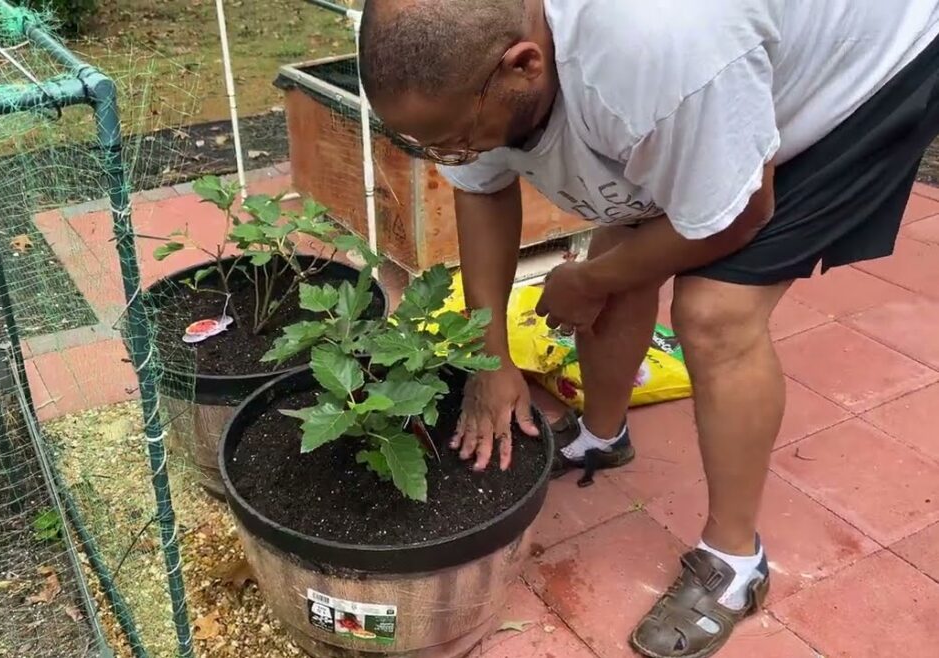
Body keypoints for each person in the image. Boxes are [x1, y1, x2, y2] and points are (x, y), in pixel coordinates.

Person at [357, 0, 939, 656]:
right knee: (624, 239)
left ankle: (735, 565)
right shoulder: (488, 60)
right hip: (713, 73)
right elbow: (481, 188)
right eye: (424, 143)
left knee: (714, 313)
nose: (448, 157)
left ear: (524, 64)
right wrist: (491, 363)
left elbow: (739, 214)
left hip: (863, 70)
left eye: (455, 139)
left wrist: (588, 283)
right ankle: (602, 437)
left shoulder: (656, 58)